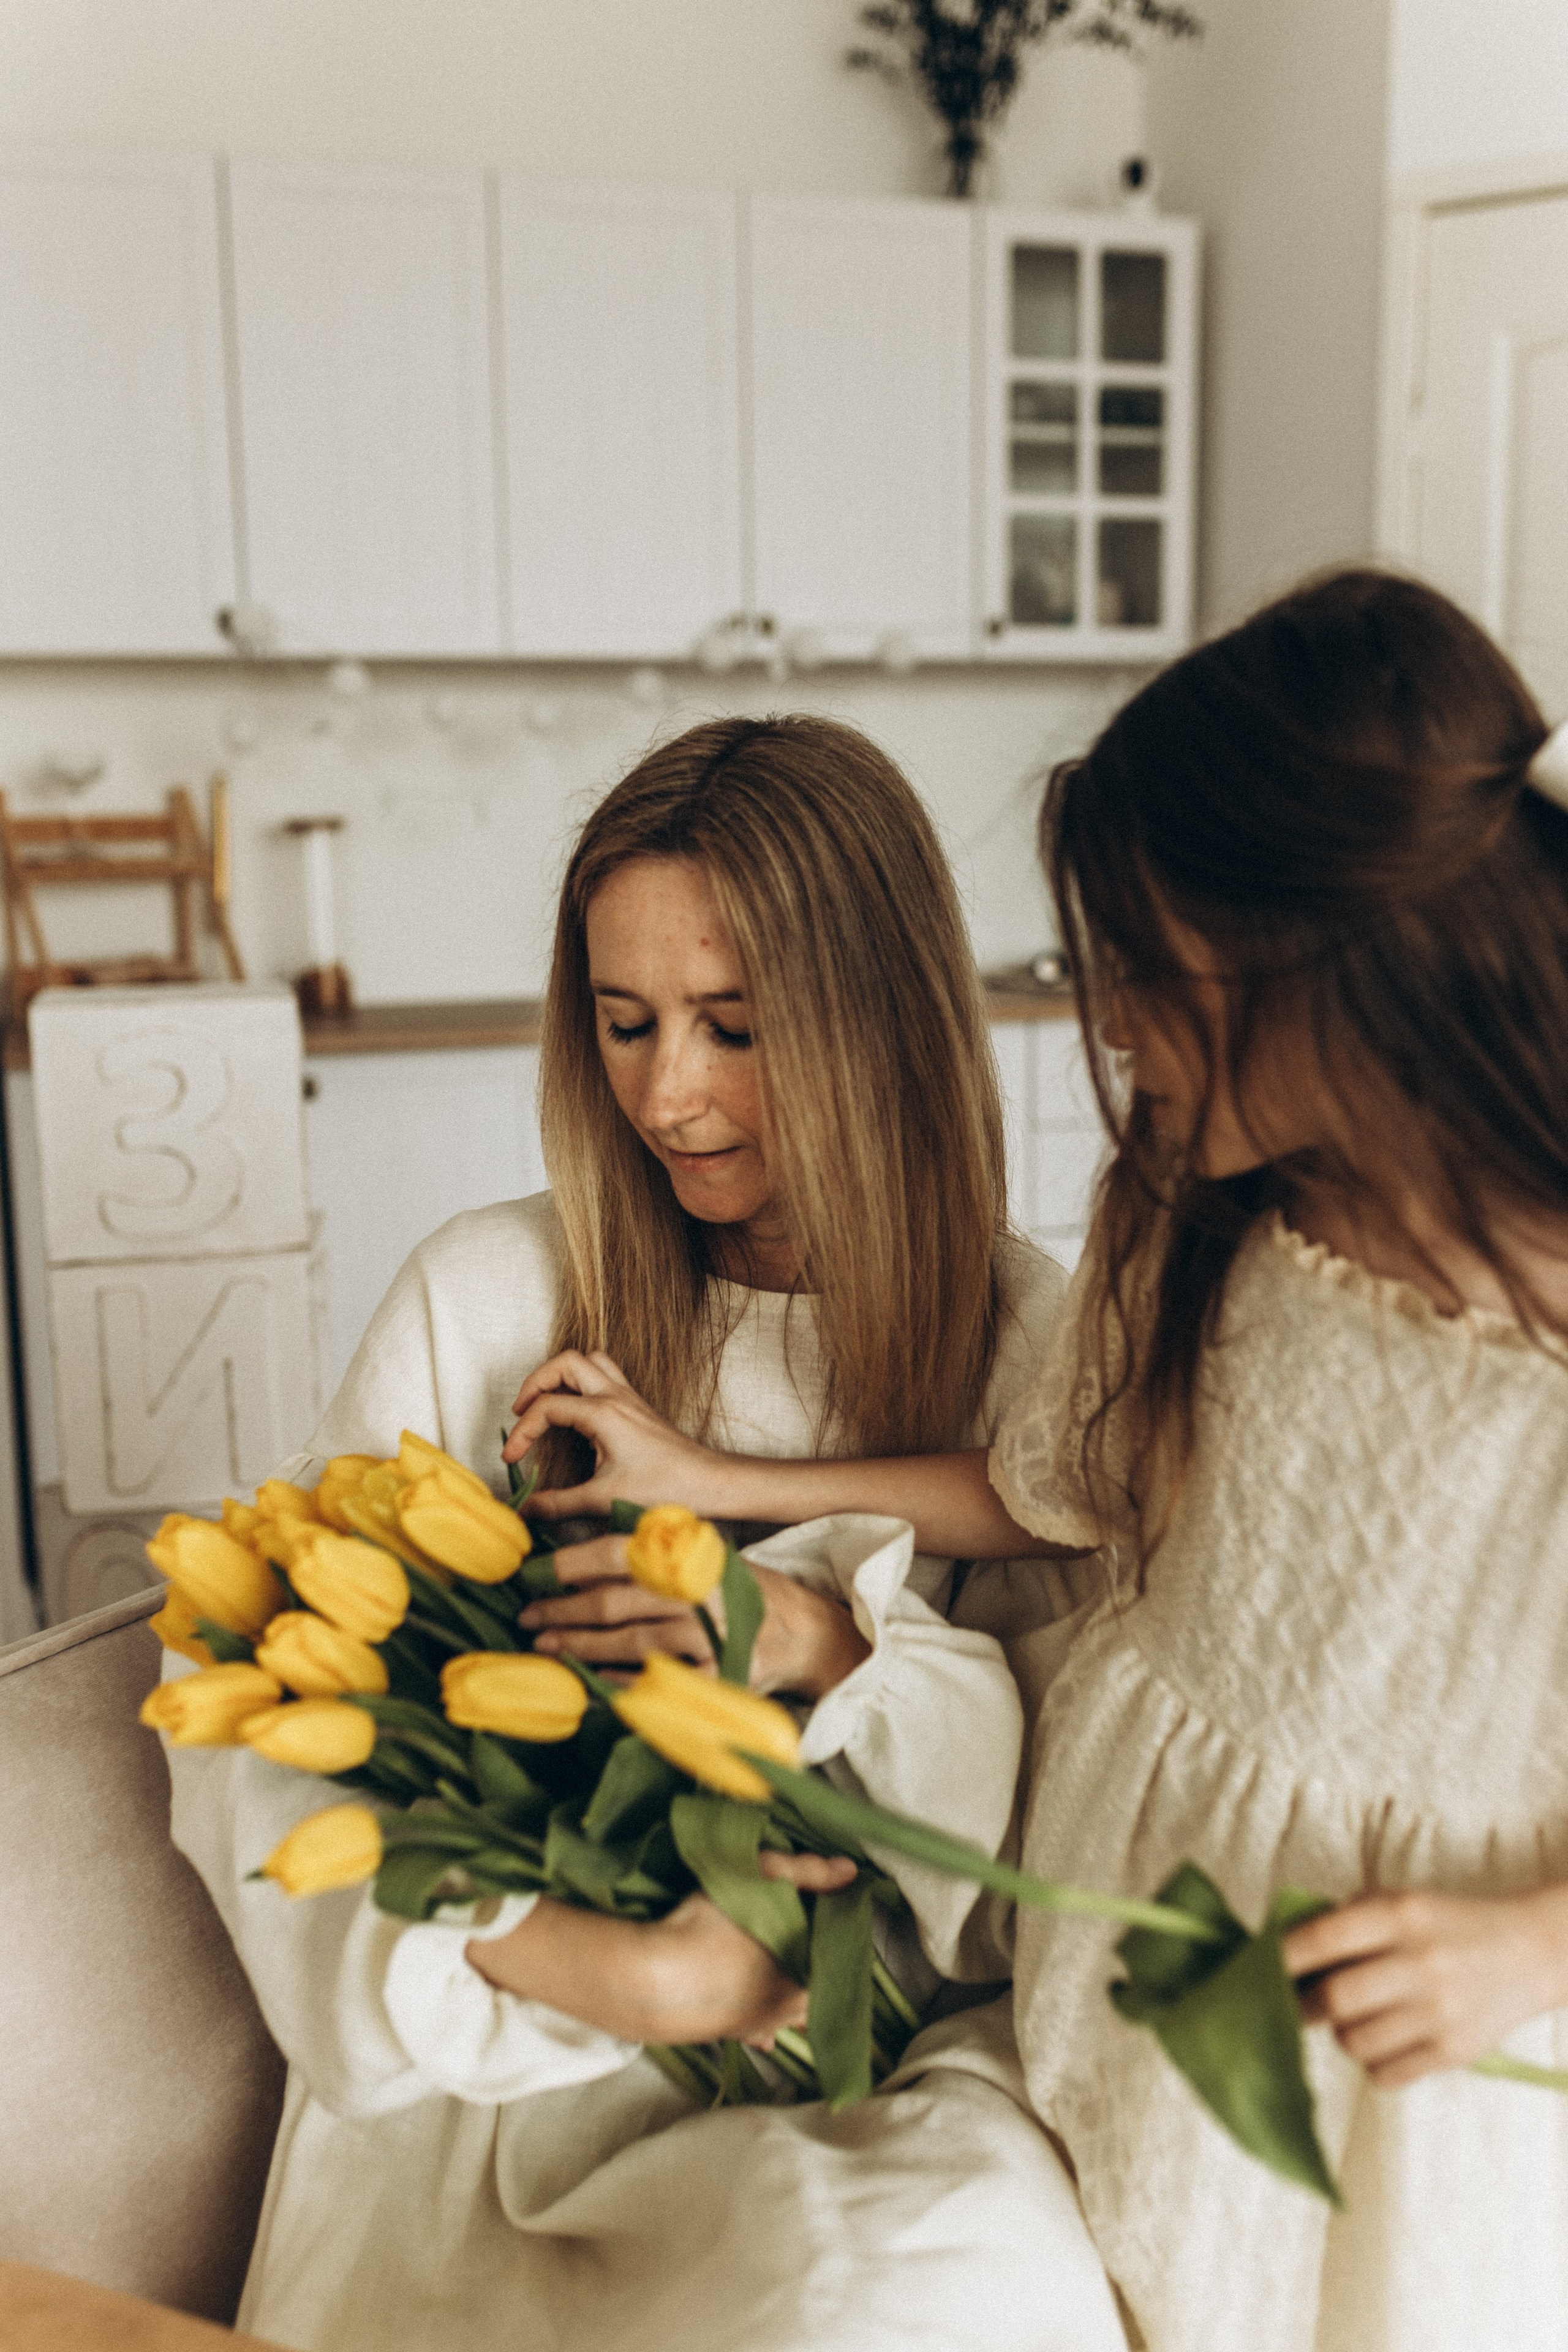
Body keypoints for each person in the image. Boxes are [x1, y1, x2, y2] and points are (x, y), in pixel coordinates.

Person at [515, 577, 1568, 2352]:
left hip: (1405, 2052)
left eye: (1145, 973)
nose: (1117, 1028)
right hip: (1118, 1983)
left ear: (1330, 952)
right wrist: (718, 1478)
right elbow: (1049, 1486)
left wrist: (1533, 1946)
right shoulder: (1204, 1215)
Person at [159, 715, 1126, 2352]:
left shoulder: (1035, 1356)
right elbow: (249, 1737)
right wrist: (588, 1963)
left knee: (918, 2294)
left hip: (888, 2067)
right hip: (517, 2078)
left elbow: (1067, 1832)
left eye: (733, 1027)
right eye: (625, 1023)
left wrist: (824, 1640)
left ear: (880, 1020)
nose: (667, 1094)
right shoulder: (487, 1299)